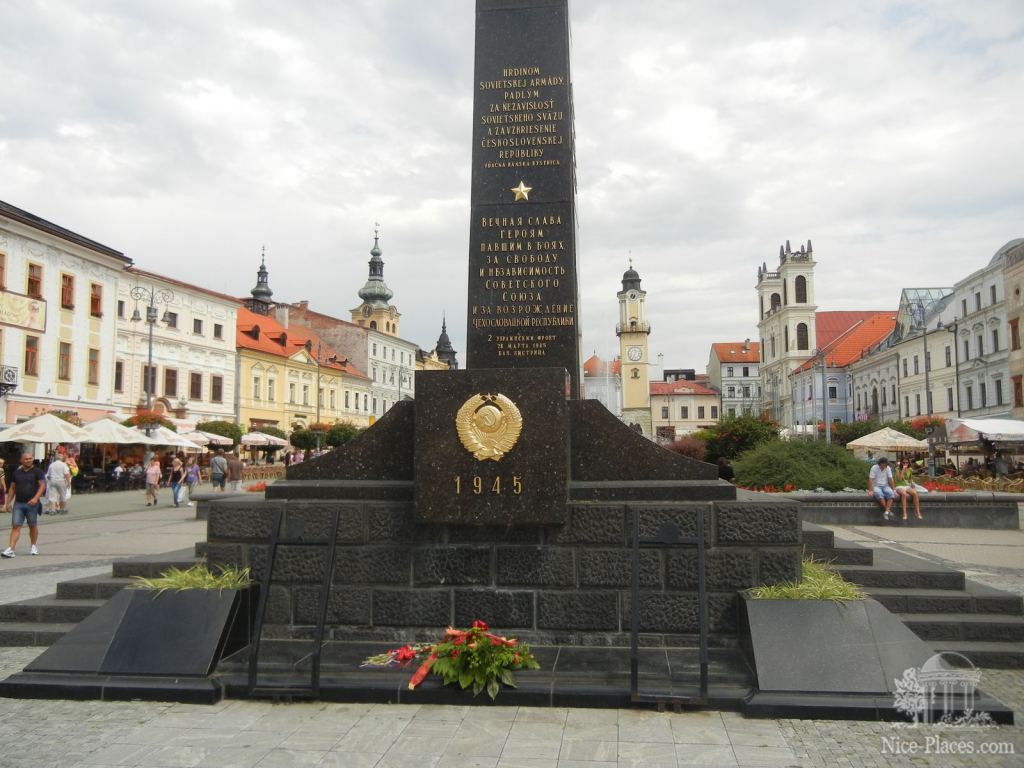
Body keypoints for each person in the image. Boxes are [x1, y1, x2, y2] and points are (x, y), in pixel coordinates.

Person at [3, 453, 45, 557]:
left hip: (32, 504)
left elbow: (42, 486)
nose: (28, 460)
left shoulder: (38, 472)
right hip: (19, 503)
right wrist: (8, 503)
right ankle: (11, 549)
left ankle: (33, 546)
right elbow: (12, 488)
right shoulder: (17, 473)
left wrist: (36, 498)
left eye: (30, 458)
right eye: (26, 459)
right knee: (16, 526)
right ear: (21, 460)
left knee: (32, 525)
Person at [868, 456, 897, 521]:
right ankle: (888, 511)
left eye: (887, 464)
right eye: (885, 464)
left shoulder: (888, 468)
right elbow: (871, 479)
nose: (886, 466)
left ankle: (886, 512)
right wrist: (870, 490)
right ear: (881, 463)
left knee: (891, 494)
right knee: (879, 494)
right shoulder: (874, 468)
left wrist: (894, 489)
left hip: (885, 485)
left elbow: (890, 479)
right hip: (876, 486)